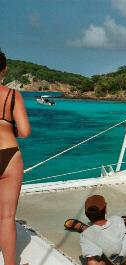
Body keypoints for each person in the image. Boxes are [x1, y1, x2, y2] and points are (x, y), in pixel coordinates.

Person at [0, 49, 31, 265]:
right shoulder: (12, 95)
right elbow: (25, 131)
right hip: (9, 155)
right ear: (4, 69)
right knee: (7, 217)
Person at [64, 195, 126, 265]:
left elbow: (92, 262)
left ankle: (85, 228)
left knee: (92, 235)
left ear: (86, 214)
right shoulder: (116, 219)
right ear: (105, 210)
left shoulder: (85, 236)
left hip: (110, 259)